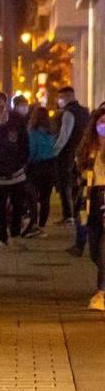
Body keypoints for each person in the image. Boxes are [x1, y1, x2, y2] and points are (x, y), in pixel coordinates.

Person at [0, 91, 29, 249]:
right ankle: (2, 238)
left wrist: (21, 164)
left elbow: (25, 145)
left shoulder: (16, 121)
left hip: (16, 174)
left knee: (18, 206)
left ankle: (15, 234)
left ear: (6, 103)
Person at [54, 87, 91, 255]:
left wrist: (53, 152)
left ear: (67, 97)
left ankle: (69, 215)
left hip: (69, 156)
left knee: (67, 186)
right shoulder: (85, 112)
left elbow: (64, 136)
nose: (59, 101)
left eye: (60, 98)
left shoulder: (68, 113)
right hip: (83, 157)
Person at [77, 107, 105, 310]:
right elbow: (81, 175)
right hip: (91, 198)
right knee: (95, 251)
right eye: (101, 122)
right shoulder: (89, 147)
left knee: (104, 249)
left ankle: (101, 293)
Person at [25, 106, 58, 238]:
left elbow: (32, 150)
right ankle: (41, 225)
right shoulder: (51, 133)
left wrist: (26, 163)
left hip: (35, 167)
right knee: (45, 198)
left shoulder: (32, 132)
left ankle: (33, 223)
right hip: (50, 166)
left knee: (32, 197)